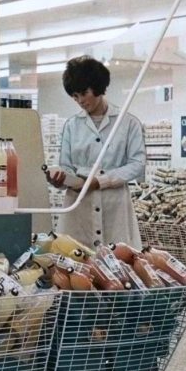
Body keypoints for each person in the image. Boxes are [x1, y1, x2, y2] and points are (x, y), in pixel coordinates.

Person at [48, 56, 146, 248]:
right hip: (78, 208)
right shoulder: (71, 126)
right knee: (76, 265)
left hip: (114, 208)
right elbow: (66, 165)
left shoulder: (128, 123)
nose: (80, 101)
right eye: (75, 96)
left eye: (84, 93)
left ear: (98, 86)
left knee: (118, 265)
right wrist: (60, 179)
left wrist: (100, 181)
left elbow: (137, 164)